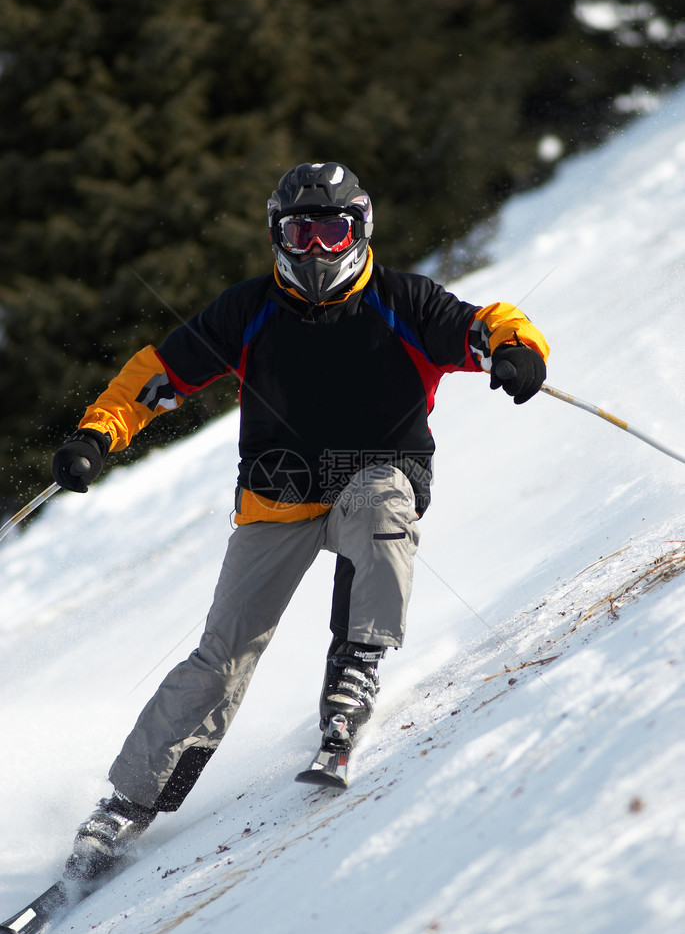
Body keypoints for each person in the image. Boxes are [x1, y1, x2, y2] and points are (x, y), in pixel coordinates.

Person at [51, 161, 549, 880]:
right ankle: (127, 803)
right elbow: (156, 372)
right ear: (277, 235)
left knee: (381, 502)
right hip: (275, 500)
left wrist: (515, 353)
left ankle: (353, 673)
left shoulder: (399, 299)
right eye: (300, 231)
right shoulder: (249, 308)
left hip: (374, 473)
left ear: (359, 229)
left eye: (331, 230)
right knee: (217, 657)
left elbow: (484, 324)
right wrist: (96, 434)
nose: (316, 249)